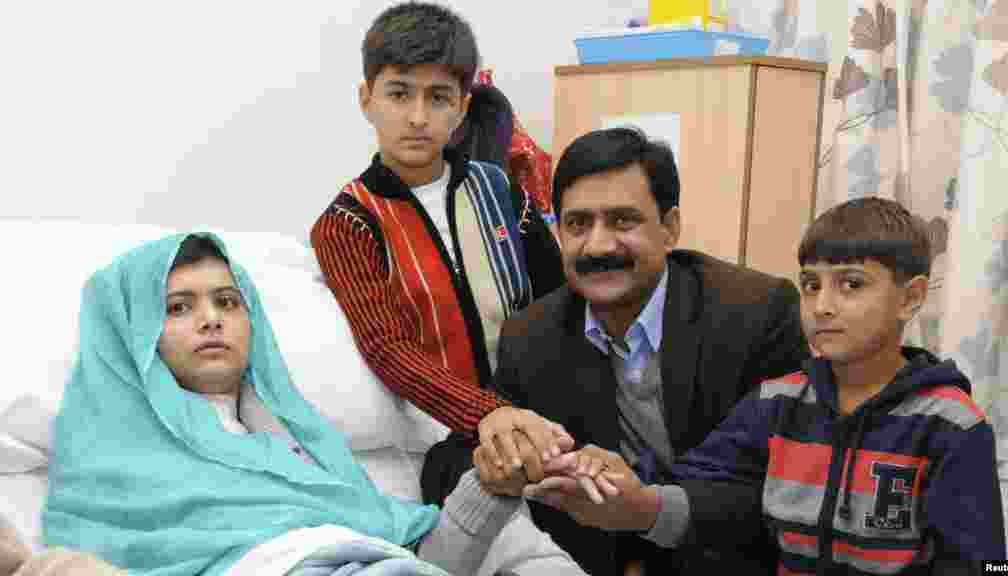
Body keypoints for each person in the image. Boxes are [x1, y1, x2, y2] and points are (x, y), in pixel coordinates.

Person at [42, 233, 586, 576]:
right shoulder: (111, 472)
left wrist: (492, 489)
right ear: (132, 336)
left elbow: (426, 560)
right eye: (179, 307)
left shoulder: (303, 459)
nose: (211, 319)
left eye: (227, 301)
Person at [526, 197, 1008, 573]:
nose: (822, 305)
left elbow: (986, 564)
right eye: (811, 284)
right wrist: (628, 487)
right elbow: (696, 485)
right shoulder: (777, 403)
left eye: (852, 284)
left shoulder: (951, 424)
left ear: (911, 298)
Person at [473, 126, 811, 574]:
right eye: (578, 224)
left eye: (622, 221)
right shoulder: (532, 336)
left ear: (669, 229)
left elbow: (788, 484)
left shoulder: (755, 315)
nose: (597, 245)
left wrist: (649, 510)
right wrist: (495, 452)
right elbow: (454, 459)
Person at [308, 1, 567, 509]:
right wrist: (485, 414)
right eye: (399, 93)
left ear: (463, 107)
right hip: (448, 444)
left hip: (541, 418)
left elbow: (558, 304)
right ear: (367, 99)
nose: (418, 117)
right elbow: (388, 350)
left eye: (439, 96)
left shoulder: (503, 192)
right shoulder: (346, 223)